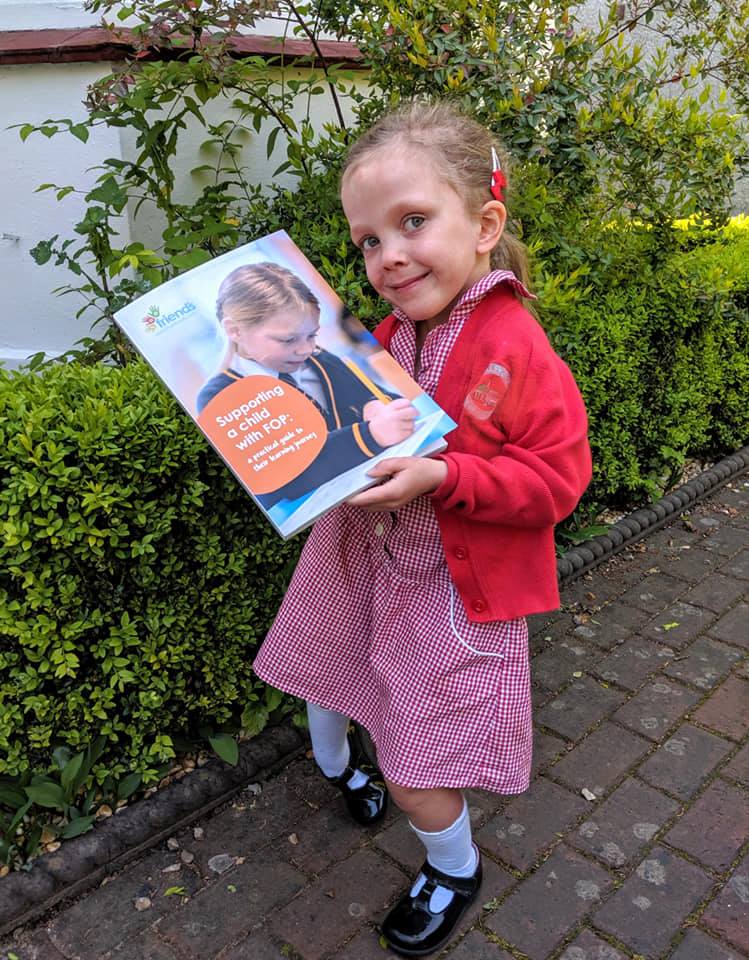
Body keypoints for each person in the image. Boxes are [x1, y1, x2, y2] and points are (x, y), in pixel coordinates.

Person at [253, 100, 592, 956]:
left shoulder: (517, 346)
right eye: (368, 239)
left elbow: (557, 481)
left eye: (412, 222)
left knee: (417, 762)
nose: (388, 255)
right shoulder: (384, 334)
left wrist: (446, 476)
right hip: (356, 556)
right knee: (323, 674)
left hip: (447, 590)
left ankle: (452, 866)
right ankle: (341, 769)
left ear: (484, 226)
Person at [197, 261, 417, 506]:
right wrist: (371, 434)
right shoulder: (219, 396)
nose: (305, 349)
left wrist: (373, 405)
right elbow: (283, 474)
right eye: (287, 340)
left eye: (312, 335)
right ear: (235, 330)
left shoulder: (319, 358)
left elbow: (375, 396)